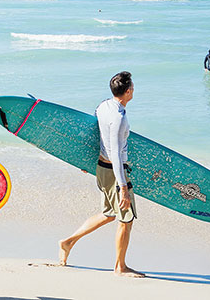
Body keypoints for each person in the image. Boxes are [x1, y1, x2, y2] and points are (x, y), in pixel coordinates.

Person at [59, 71, 144, 277]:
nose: (133, 88)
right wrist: (123, 187)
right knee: (126, 219)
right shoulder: (120, 118)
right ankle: (120, 267)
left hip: (101, 167)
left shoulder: (103, 106)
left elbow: (93, 132)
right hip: (116, 172)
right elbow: (115, 152)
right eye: (132, 86)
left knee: (109, 214)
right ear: (128, 91)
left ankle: (68, 242)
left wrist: (85, 160)